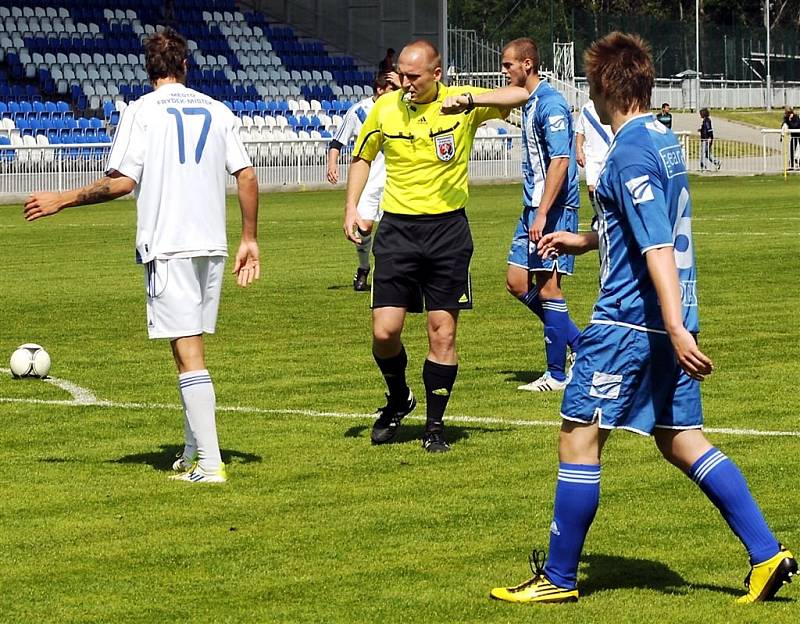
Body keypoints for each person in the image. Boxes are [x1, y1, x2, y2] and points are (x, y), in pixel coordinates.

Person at [488, 31, 796, 605]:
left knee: (578, 437)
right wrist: (581, 241)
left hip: (631, 320)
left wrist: (674, 328)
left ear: (606, 87)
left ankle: (558, 578)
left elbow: (656, 246)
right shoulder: (662, 137)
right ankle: (766, 553)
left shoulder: (628, 150)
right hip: (668, 312)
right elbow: (635, 230)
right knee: (680, 439)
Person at [23, 28, 260, 484]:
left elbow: (121, 182)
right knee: (188, 347)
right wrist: (249, 237)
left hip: (168, 244)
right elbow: (246, 175)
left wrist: (63, 199)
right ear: (185, 66)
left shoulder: (141, 111)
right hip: (211, 243)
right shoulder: (217, 108)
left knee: (188, 351)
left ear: (148, 69)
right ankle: (193, 451)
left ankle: (210, 464)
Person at [344, 39, 508, 452]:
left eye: (413, 76)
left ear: (438, 75)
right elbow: (362, 158)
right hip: (398, 232)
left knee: (442, 333)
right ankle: (399, 397)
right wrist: (351, 209)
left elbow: (522, 94)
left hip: (447, 232)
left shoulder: (460, 103)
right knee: (385, 332)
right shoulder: (385, 108)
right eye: (400, 74)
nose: (404, 82)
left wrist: (469, 100)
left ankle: (435, 427)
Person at [443, 37, 582, 392]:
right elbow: (505, 97)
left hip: (551, 208)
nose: (504, 72)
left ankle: (557, 375)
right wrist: (467, 101)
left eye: (508, 66)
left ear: (527, 65)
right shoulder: (530, 100)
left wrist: (543, 213)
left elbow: (561, 162)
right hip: (532, 207)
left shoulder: (551, 105)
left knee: (549, 289)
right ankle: (581, 345)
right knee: (516, 282)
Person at [326, 73, 397, 290]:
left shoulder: (399, 108)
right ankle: (364, 267)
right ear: (379, 89)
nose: (395, 93)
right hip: (368, 180)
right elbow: (337, 141)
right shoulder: (358, 111)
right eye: (391, 89)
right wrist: (332, 165)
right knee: (365, 227)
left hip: (395, 180)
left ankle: (387, 275)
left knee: (392, 230)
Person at [575, 98, 612, 213]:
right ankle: (599, 213)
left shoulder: (614, 104)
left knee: (609, 188)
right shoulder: (587, 109)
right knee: (592, 189)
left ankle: (609, 214)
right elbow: (579, 132)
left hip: (610, 154)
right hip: (592, 156)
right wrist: (579, 151)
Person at [699, 107, 721, 171]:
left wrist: (710, 137)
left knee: (703, 153)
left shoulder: (707, 121)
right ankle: (717, 162)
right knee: (707, 154)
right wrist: (701, 130)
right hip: (705, 138)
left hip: (706, 139)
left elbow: (709, 130)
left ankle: (703, 166)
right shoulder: (705, 121)